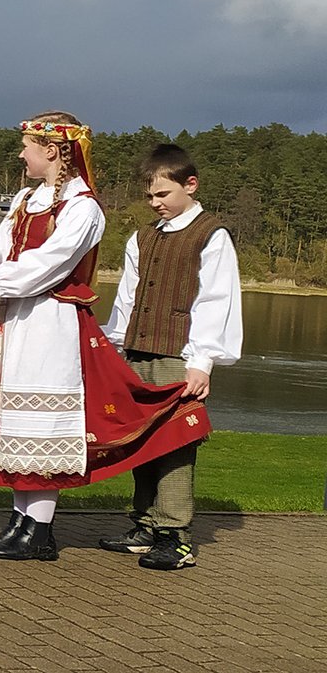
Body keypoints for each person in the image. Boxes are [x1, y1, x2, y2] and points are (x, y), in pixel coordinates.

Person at [0, 112, 212, 561]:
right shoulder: (25, 199)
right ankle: (21, 522)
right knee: (13, 427)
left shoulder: (82, 206)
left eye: (28, 147)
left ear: (52, 151)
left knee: (41, 429)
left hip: (48, 323)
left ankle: (39, 529)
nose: (21, 155)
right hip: (13, 321)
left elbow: (48, 265)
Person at [98, 143, 242, 570]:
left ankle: (175, 535)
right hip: (137, 352)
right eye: (149, 196)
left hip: (179, 356)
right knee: (139, 442)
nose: (155, 203)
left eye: (163, 194)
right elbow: (126, 299)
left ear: (190, 185)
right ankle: (144, 525)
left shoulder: (211, 235)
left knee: (175, 444)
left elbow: (216, 300)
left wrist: (202, 360)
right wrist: (114, 347)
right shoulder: (141, 237)